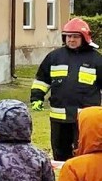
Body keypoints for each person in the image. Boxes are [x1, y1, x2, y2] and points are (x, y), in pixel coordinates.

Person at [30, 18, 102, 161]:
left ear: (84, 38)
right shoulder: (54, 57)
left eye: (75, 36)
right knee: (59, 155)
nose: (71, 40)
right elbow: (42, 80)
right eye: (68, 36)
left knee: (84, 155)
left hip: (85, 119)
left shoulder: (96, 59)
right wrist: (37, 98)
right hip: (59, 119)